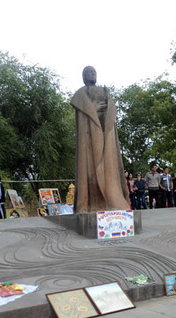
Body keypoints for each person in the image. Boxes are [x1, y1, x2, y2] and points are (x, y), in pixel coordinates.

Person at [71, 66, 129, 213]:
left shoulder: (104, 91)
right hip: (90, 133)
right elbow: (85, 111)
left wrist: (107, 108)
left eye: (94, 72)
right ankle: (91, 203)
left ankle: (113, 199)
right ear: (84, 76)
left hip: (105, 127)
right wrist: (95, 108)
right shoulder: (81, 93)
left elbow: (112, 107)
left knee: (109, 163)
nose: (92, 74)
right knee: (90, 166)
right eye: (89, 72)